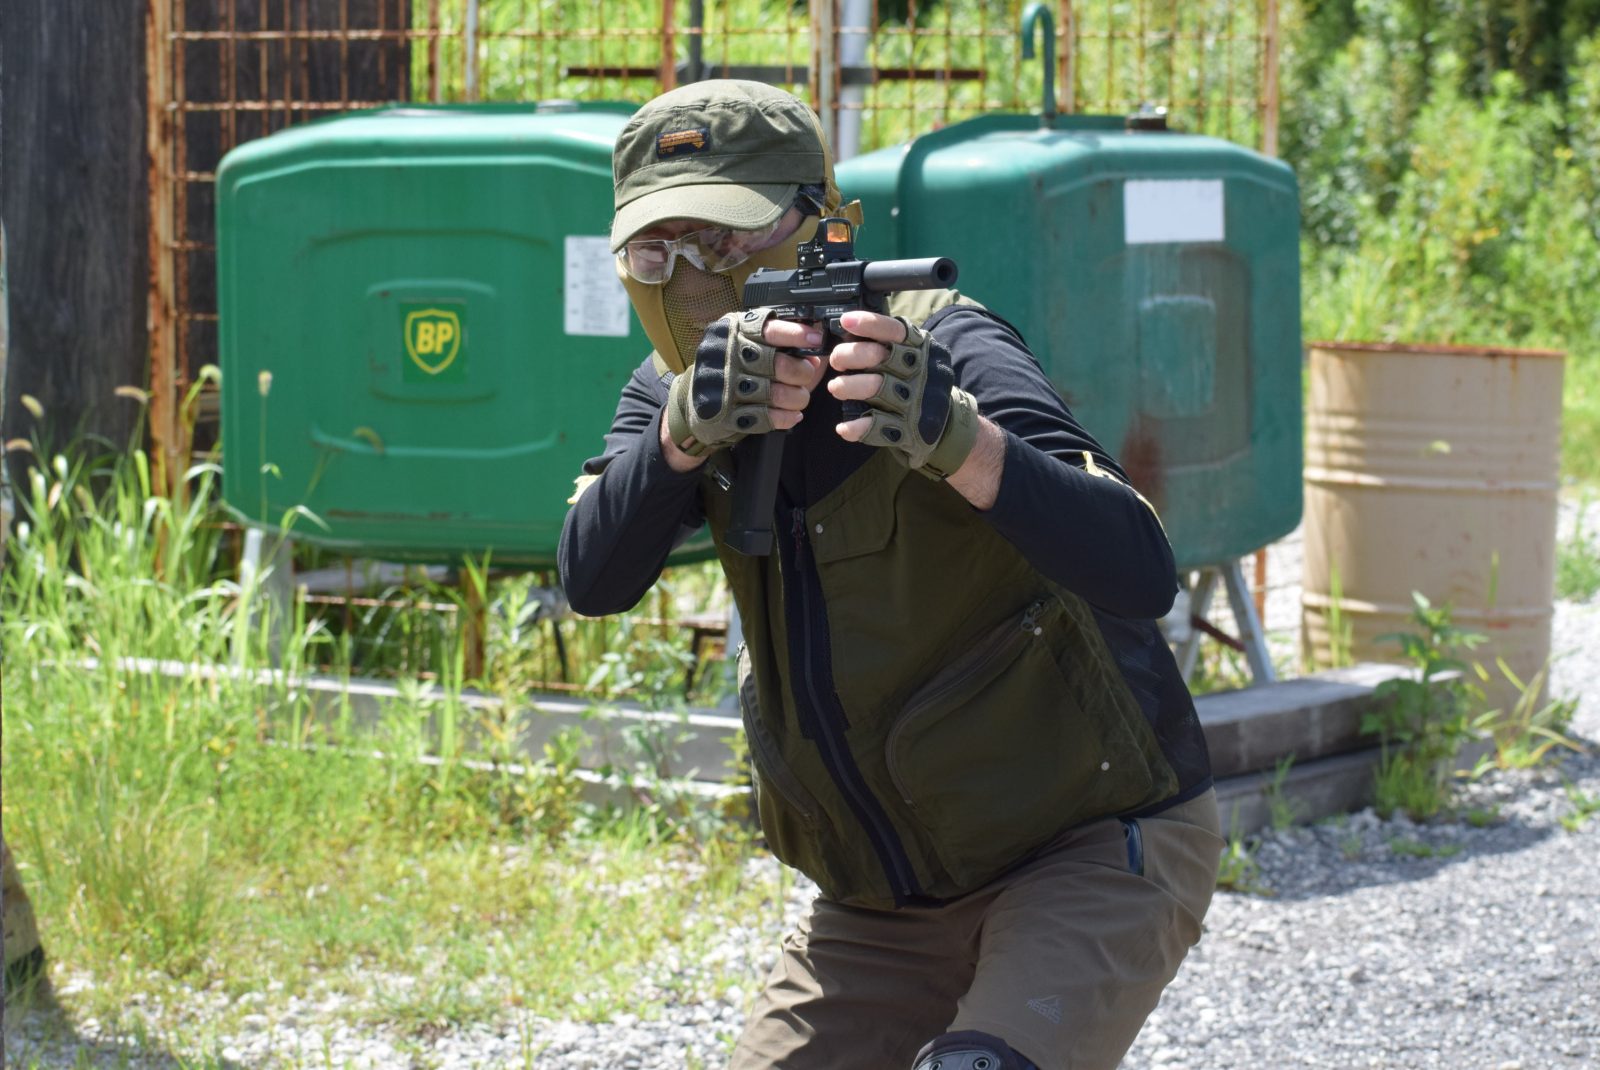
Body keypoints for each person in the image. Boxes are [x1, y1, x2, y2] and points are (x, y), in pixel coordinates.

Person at [558, 79, 1224, 1070]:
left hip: (1087, 839)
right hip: (881, 897)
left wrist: (957, 440)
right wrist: (681, 438)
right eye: (660, 250)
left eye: (727, 239)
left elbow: (1136, 564)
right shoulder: (671, 393)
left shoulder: (942, 341)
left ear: (821, 224)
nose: (696, 275)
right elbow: (592, 577)